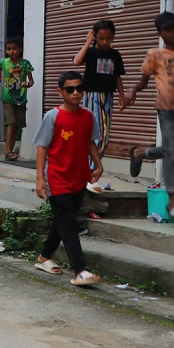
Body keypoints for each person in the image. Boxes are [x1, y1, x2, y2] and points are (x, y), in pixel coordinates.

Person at [33, 71, 103, 287]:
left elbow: (91, 142)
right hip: (56, 177)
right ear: (60, 91)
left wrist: (98, 164)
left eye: (79, 88)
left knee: (64, 220)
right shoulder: (53, 116)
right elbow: (42, 148)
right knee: (68, 222)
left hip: (79, 177)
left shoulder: (88, 116)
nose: (76, 93)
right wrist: (39, 179)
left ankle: (44, 256)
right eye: (70, 89)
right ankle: (80, 269)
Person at [125, 12, 174, 222]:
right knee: (172, 151)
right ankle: (172, 198)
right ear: (160, 33)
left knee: (171, 150)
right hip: (166, 108)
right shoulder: (155, 54)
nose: (173, 32)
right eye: (168, 29)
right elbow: (144, 81)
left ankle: (140, 153)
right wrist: (133, 91)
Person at [72, 19, 126, 165]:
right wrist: (88, 42)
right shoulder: (90, 52)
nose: (104, 42)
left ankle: (90, 166)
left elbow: (117, 77)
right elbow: (76, 62)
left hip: (108, 95)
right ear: (95, 36)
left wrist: (122, 95)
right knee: (98, 134)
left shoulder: (115, 55)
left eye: (108, 38)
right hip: (92, 95)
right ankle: (90, 168)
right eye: (101, 38)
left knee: (104, 135)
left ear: (113, 37)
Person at [0, 37, 34, 161]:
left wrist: (27, 84)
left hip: (21, 98)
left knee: (17, 125)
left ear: (20, 49)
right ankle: (8, 151)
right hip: (7, 97)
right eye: (9, 49)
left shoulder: (25, 63)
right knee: (11, 123)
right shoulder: (3, 62)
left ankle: (11, 151)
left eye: (14, 49)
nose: (12, 51)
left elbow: (31, 81)